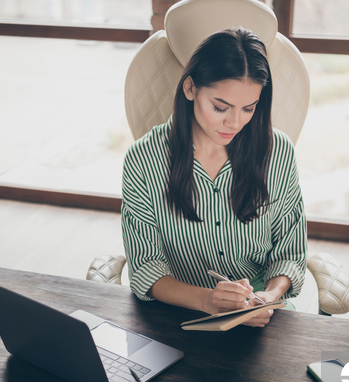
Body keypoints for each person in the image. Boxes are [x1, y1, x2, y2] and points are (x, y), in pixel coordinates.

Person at [121, 27, 306, 327]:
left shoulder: (278, 151)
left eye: (249, 108)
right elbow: (146, 267)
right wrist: (208, 300)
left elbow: (290, 251)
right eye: (221, 107)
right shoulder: (143, 160)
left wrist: (269, 296)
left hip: (263, 318)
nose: (235, 123)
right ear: (190, 89)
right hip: (179, 317)